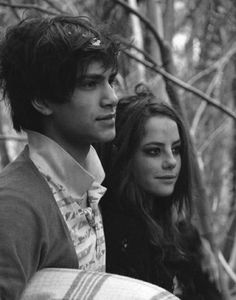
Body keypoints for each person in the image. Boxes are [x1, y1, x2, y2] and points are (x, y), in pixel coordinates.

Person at [0, 15, 119, 299]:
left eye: (110, 80)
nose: (112, 97)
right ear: (41, 99)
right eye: (90, 84)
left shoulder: (87, 185)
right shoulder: (15, 206)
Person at [101, 85, 222, 300]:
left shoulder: (181, 232)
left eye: (176, 149)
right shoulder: (112, 234)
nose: (171, 162)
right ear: (124, 157)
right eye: (154, 151)